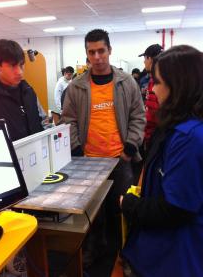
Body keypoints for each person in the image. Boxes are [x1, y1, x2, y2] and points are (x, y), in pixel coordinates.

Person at [60, 29, 146, 265]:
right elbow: (69, 120)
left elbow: (139, 116)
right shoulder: (76, 87)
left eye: (101, 51)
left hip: (120, 160)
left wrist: (130, 147)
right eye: (91, 52)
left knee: (123, 210)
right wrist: (77, 150)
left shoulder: (126, 82)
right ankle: (96, 249)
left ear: (110, 50)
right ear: (87, 54)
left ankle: (127, 252)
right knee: (92, 214)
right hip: (89, 162)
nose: (97, 56)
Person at [120, 45, 203, 277]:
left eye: (157, 82)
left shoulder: (189, 138)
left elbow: (176, 209)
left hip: (175, 257)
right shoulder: (176, 127)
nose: (152, 89)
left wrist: (129, 205)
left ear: (178, 86)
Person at [0, 39, 44, 141]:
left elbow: (41, 121)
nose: (19, 72)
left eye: (21, 65)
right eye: (13, 66)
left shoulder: (28, 90)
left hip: (35, 153)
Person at [138, 44, 163, 148]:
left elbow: (156, 114)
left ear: (150, 58)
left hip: (156, 138)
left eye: (145, 58)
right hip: (151, 136)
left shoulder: (160, 82)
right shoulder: (152, 80)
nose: (144, 61)